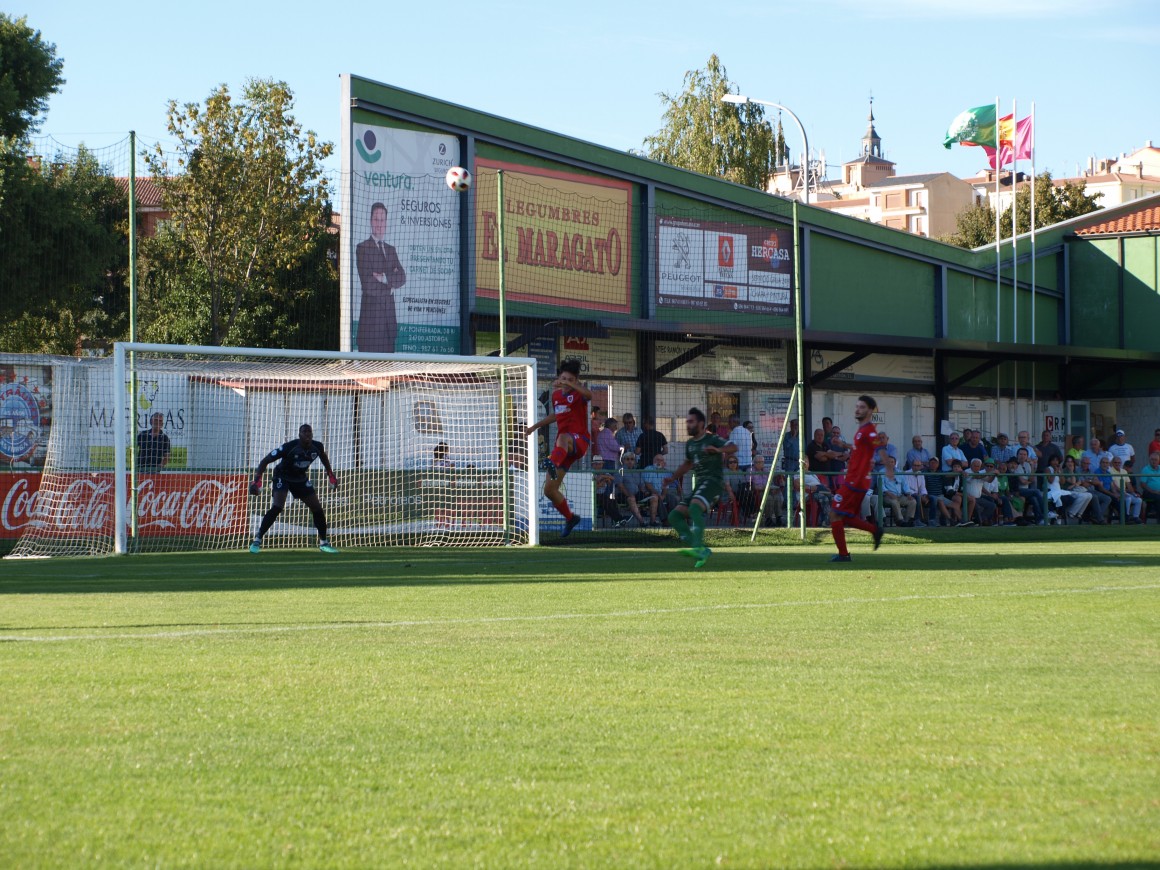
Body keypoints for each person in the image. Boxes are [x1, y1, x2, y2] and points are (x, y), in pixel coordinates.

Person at [525, 359, 592, 539]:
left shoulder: (579, 395)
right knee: (549, 490)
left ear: (575, 381)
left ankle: (551, 462)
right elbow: (556, 415)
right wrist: (533, 427)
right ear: (558, 378)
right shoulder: (556, 396)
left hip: (579, 441)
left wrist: (573, 385)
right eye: (563, 378)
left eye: (570, 379)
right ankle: (571, 518)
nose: (565, 382)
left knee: (562, 438)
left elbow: (589, 395)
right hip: (564, 449)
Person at [249, 424, 339, 553]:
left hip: (300, 479)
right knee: (277, 507)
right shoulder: (290, 447)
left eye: (309, 431)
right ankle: (257, 540)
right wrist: (257, 480)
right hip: (282, 476)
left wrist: (331, 474)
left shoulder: (317, 447)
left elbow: (323, 456)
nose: (307, 434)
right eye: (304, 431)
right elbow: (265, 461)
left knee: (317, 508)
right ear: (299, 434)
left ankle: (324, 543)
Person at [664, 408, 736, 568]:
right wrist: (673, 477)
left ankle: (697, 547)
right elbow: (688, 463)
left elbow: (733, 447)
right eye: (687, 422)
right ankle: (701, 549)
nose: (687, 425)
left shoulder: (712, 439)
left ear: (701, 424)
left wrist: (718, 450)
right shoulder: (690, 444)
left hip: (714, 482)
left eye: (691, 422)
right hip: (701, 484)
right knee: (674, 516)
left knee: (695, 508)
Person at [829, 395, 886, 562]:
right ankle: (874, 531)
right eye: (857, 406)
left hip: (855, 481)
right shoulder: (862, 431)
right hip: (855, 480)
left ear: (869, 410)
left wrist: (888, 467)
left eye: (861, 407)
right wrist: (843, 447)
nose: (857, 409)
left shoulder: (869, 431)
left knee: (834, 514)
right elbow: (859, 450)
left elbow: (879, 447)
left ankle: (844, 554)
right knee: (844, 516)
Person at [355, 202, 407, 353]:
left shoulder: (391, 250)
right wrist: (390, 288)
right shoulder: (363, 248)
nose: (379, 224)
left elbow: (402, 277)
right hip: (370, 330)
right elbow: (368, 285)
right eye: (376, 219)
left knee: (388, 376)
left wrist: (384, 278)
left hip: (388, 328)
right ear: (371, 221)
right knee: (368, 376)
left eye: (382, 220)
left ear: (386, 222)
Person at [618, 452, 659, 527]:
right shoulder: (620, 470)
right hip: (623, 495)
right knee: (631, 498)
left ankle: (652, 521)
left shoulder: (637, 472)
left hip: (637, 494)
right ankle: (642, 522)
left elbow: (641, 486)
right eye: (627, 459)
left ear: (635, 461)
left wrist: (645, 492)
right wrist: (629, 495)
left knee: (654, 497)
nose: (630, 461)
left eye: (632, 459)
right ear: (623, 461)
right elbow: (620, 486)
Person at [880, 455, 916, 526]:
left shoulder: (899, 472)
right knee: (894, 502)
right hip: (887, 496)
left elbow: (905, 485)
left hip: (900, 495)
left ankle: (908, 521)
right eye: (889, 462)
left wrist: (908, 494)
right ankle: (900, 521)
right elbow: (881, 486)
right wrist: (889, 494)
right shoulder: (881, 472)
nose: (890, 463)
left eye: (892, 462)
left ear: (895, 463)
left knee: (913, 501)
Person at [1109, 455, 1143, 524]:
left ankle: (1135, 517)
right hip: (1117, 493)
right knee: (1128, 498)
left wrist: (1133, 493)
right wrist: (1122, 492)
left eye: (1119, 462)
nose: (1117, 464)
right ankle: (1125, 517)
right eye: (1115, 462)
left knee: (1138, 500)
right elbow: (1113, 485)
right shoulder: (1110, 471)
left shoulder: (1124, 471)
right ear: (1112, 463)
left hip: (1124, 492)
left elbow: (1128, 484)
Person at [1138, 451, 1160, 520]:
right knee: (1158, 497)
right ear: (1149, 460)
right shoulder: (1145, 469)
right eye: (1152, 459)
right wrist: (1154, 491)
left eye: (1155, 460)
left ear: (1159, 461)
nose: (1154, 461)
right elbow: (1142, 484)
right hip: (1149, 492)